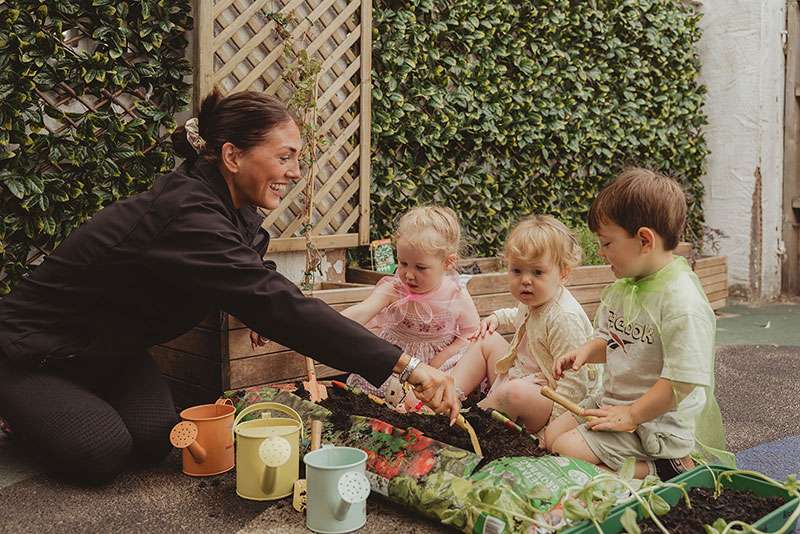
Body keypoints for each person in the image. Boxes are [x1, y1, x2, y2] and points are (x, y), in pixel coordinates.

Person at [0, 89, 459, 485]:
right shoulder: (187, 213)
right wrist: (407, 366)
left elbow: (251, 281)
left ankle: (66, 406)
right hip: (34, 349)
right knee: (100, 453)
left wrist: (250, 303)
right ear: (233, 156)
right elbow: (274, 301)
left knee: (154, 441)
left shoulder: (231, 210)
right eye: (284, 157)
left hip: (111, 352)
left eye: (297, 157)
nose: (296, 172)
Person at [547, 168, 732, 480]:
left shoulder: (681, 303)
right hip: (617, 400)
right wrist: (584, 352)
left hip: (656, 423)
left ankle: (664, 467)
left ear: (645, 240)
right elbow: (613, 342)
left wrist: (631, 415)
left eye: (606, 244)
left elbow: (681, 382)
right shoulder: (627, 286)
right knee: (552, 436)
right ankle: (629, 468)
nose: (601, 253)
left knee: (566, 449)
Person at [449, 216, 594, 436]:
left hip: (547, 398)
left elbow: (575, 386)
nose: (525, 280)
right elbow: (519, 315)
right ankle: (447, 398)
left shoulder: (564, 318)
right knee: (485, 338)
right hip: (522, 374)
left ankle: (466, 426)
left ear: (563, 274)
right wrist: (497, 318)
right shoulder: (535, 298)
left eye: (537, 272)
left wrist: (551, 430)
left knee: (514, 393)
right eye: (517, 271)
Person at [341, 206, 480, 407]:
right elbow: (363, 310)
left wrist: (440, 360)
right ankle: (405, 405)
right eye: (403, 262)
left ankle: (419, 406)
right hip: (397, 363)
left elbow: (471, 333)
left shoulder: (455, 293)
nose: (409, 274)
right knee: (384, 384)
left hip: (438, 364)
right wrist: (327, 324)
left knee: (447, 381)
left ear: (448, 262)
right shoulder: (395, 288)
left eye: (420, 267)